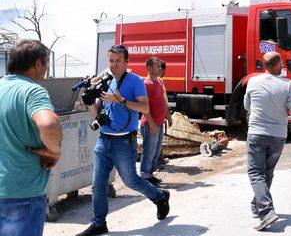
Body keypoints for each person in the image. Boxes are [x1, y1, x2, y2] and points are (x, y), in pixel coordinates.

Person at [77, 45, 170, 236]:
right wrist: (89, 101)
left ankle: (160, 197)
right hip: (103, 140)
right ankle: (98, 223)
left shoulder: (135, 81)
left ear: (126, 62)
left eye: (118, 61)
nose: (114, 65)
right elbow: (96, 111)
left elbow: (144, 108)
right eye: (111, 60)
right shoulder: (105, 78)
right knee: (98, 184)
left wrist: (120, 100)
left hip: (124, 142)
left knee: (131, 181)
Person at [0, 40, 62, 236]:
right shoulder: (32, 91)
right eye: (46, 64)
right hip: (23, 192)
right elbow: (48, 124)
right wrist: (54, 152)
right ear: (37, 64)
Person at [243, 52, 291, 231]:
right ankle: (257, 206)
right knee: (266, 172)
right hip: (278, 136)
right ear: (277, 65)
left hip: (257, 134)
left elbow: (247, 106)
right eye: (281, 64)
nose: (283, 66)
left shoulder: (252, 81)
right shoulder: (288, 84)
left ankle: (266, 211)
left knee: (255, 173)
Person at [139, 57, 168, 185]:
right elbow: (144, 107)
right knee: (149, 151)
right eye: (157, 66)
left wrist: (168, 116)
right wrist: (151, 123)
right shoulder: (145, 84)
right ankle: (145, 176)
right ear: (149, 68)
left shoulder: (159, 82)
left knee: (156, 152)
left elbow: (162, 100)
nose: (160, 68)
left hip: (159, 123)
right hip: (150, 124)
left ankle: (150, 174)